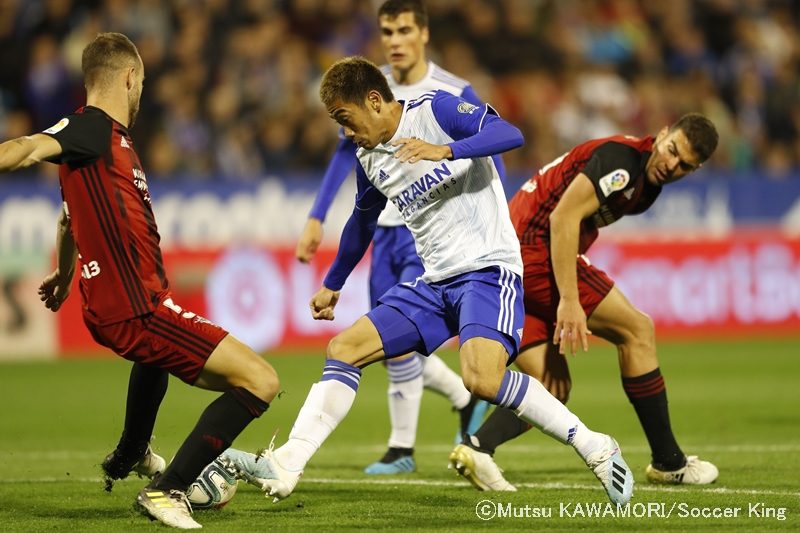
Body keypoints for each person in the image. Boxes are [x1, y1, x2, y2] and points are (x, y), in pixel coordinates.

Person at [240, 56, 634, 506]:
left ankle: (595, 446)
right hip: (435, 283)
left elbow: (510, 134)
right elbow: (360, 223)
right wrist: (333, 283)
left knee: (482, 380)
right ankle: (289, 461)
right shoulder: (370, 159)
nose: (345, 134)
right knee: (343, 349)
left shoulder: (436, 111)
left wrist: (446, 150)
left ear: (373, 101)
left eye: (345, 120)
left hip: (488, 270)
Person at [0, 33, 280, 529]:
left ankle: (131, 452)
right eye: (142, 82)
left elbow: (68, 219)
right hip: (138, 308)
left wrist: (65, 275)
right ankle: (168, 490)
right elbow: (24, 149)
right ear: (129, 77)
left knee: (155, 361)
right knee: (260, 380)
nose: (141, 92)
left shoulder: (108, 145)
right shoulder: (90, 128)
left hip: (128, 305)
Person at [449, 114, 721, 491]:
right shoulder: (623, 164)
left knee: (550, 386)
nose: (671, 165)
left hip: (507, 262)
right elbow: (563, 219)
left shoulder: (646, 181)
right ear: (661, 135)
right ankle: (669, 462)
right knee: (637, 330)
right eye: (672, 150)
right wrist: (570, 301)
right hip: (534, 251)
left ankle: (477, 448)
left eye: (685, 165)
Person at [294, 0, 494, 475]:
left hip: (429, 231)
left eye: (404, 30)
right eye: (387, 31)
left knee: (394, 340)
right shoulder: (368, 90)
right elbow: (346, 157)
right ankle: (458, 398)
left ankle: (402, 447)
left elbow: (490, 156)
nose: (395, 40)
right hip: (382, 232)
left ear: (423, 34)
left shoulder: (450, 90)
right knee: (386, 343)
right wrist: (317, 215)